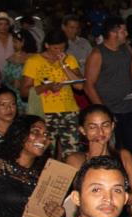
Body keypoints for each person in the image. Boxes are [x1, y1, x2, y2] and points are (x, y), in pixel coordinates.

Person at [83, 20, 132, 191]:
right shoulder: (98, 53)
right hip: (110, 112)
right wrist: (104, 112)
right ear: (113, 32)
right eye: (123, 31)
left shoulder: (127, 49)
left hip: (129, 109)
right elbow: (88, 85)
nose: (126, 34)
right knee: (113, 152)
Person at [21, 30, 84, 159]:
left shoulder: (69, 59)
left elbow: (80, 85)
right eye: (55, 48)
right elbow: (24, 91)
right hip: (45, 113)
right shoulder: (34, 61)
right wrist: (47, 86)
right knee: (46, 152)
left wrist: (64, 65)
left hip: (69, 112)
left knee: (72, 152)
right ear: (47, 45)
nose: (59, 51)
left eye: (62, 48)